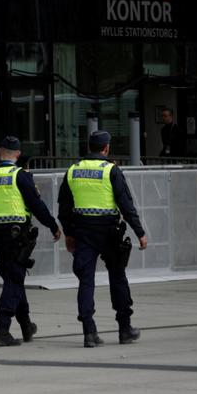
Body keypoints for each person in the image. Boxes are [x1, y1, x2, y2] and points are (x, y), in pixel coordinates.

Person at [0, 135, 62, 346]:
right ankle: (2, 329)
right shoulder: (20, 176)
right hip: (17, 234)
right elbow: (36, 205)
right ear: (18, 155)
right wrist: (53, 225)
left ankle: (26, 325)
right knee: (14, 279)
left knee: (14, 275)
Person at [59, 130, 147, 347]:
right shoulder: (111, 170)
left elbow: (63, 208)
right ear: (106, 148)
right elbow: (126, 205)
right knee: (117, 278)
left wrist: (69, 233)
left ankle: (89, 332)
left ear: (89, 147)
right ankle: (124, 329)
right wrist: (140, 232)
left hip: (82, 231)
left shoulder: (73, 170)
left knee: (86, 282)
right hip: (109, 231)